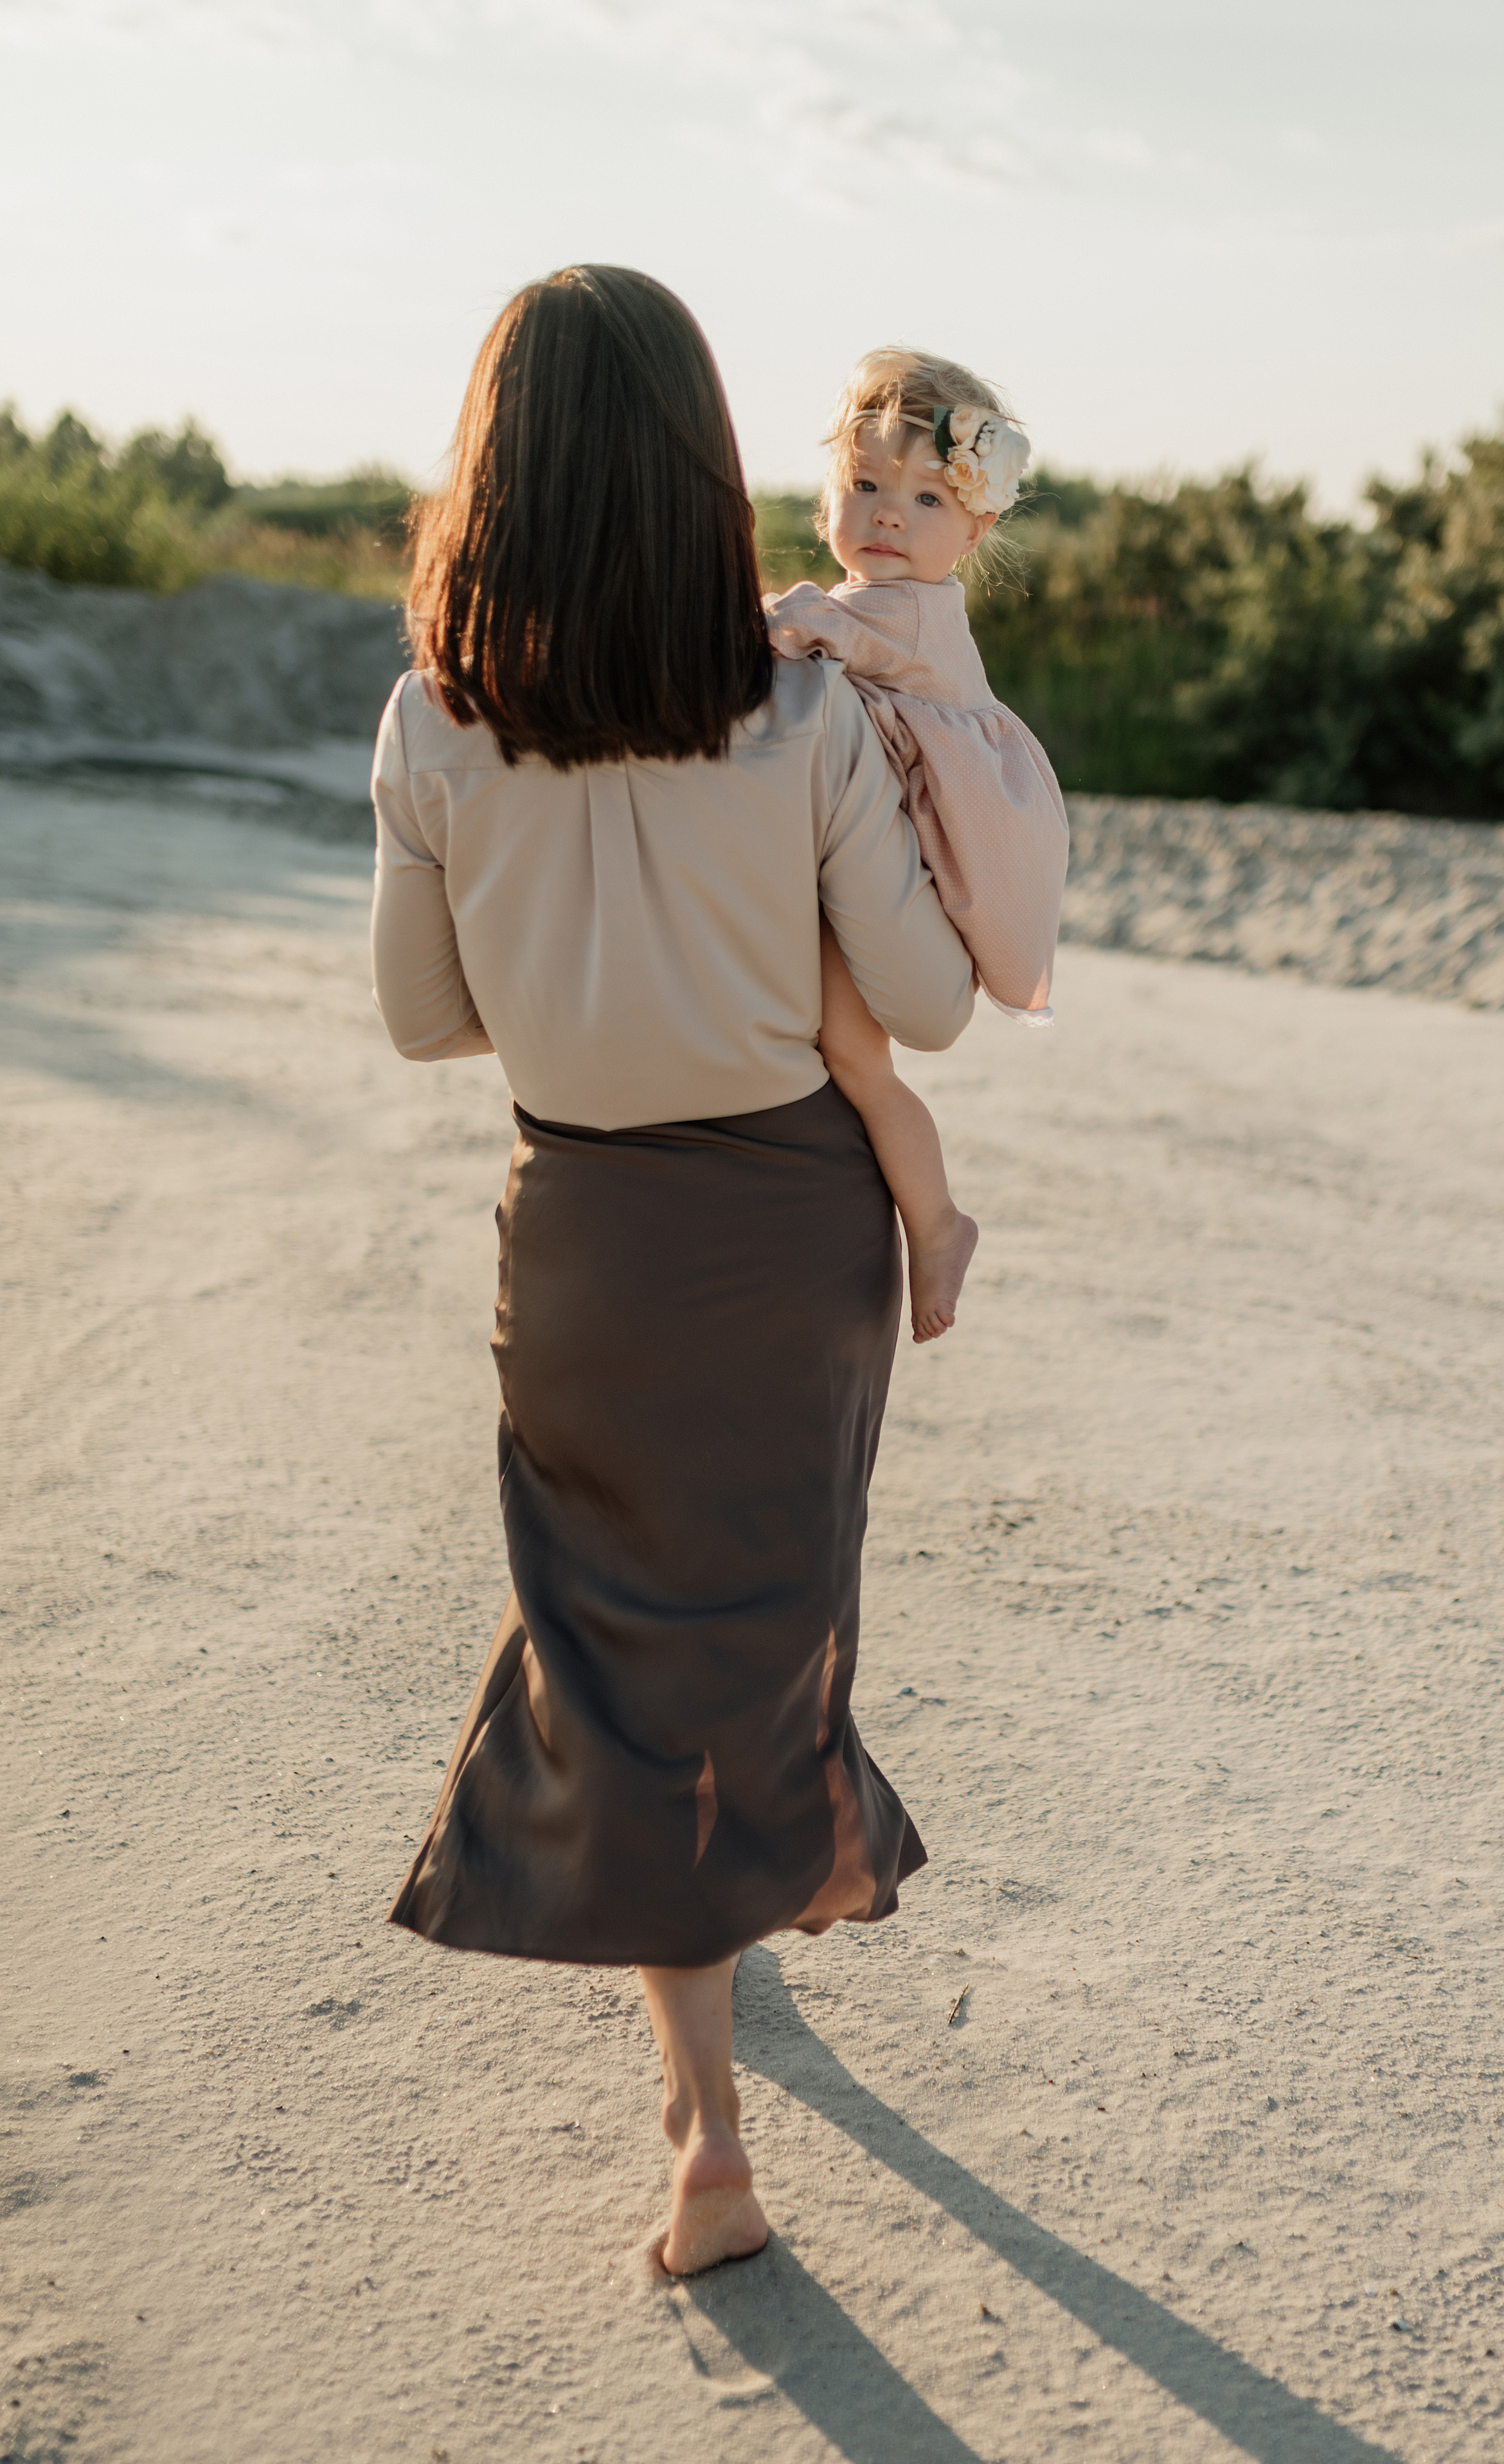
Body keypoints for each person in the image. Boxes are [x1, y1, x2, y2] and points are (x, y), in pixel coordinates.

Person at [369, 267, 976, 2277]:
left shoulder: (435, 722)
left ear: (496, 475)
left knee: (608, 1628)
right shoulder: (803, 706)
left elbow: (427, 1023)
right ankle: (726, 1918)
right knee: (765, 1604)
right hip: (802, 1232)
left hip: (596, 1235)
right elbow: (929, 1007)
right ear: (700, 467)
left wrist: (584, 961)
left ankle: (705, 2124)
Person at [765, 348, 1068, 1343]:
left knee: (860, 1058)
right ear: (826, 505)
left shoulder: (906, 615)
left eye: (928, 499)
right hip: (892, 849)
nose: (889, 514)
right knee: (844, 1051)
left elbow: (790, 631)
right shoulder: (872, 609)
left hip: (937, 861)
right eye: (864, 485)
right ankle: (925, 1216)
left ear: (976, 528)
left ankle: (936, 1221)